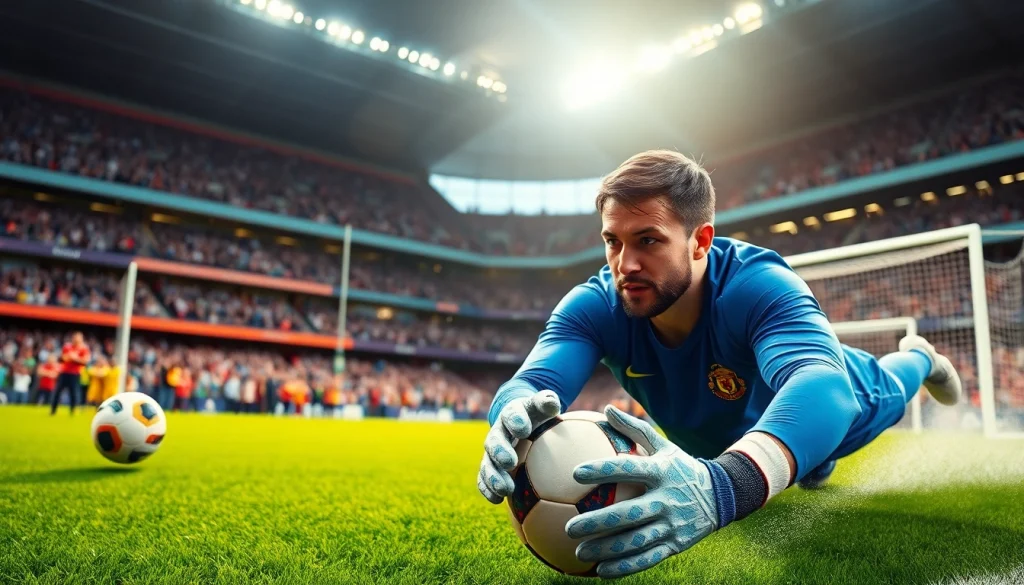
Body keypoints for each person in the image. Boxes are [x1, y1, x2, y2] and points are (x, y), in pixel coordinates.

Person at [477, 150, 962, 578]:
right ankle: (810, 462)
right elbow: (534, 382)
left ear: (700, 240)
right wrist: (510, 414)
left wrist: (726, 487)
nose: (624, 264)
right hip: (729, 435)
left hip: (840, 401)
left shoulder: (756, 285)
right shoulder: (595, 304)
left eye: (648, 240)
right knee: (805, 459)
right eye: (613, 241)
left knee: (892, 385)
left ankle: (919, 358)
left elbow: (824, 389)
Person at [51, 332, 90, 415]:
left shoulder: (84, 349)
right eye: (75, 337)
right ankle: (53, 410)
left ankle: (72, 411)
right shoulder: (67, 346)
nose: (76, 339)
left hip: (75, 373)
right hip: (64, 372)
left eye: (78, 338)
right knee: (58, 391)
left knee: (74, 393)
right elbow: (63, 358)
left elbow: (85, 361)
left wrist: (75, 358)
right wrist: (73, 358)